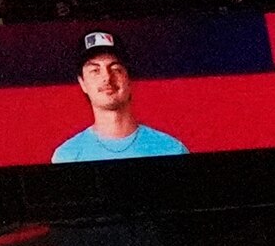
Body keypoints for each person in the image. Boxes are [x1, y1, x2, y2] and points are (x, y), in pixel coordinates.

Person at [50, 31, 186, 164]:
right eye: (95, 70)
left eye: (115, 69)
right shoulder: (67, 157)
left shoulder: (172, 150)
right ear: (82, 83)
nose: (107, 78)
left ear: (128, 79)